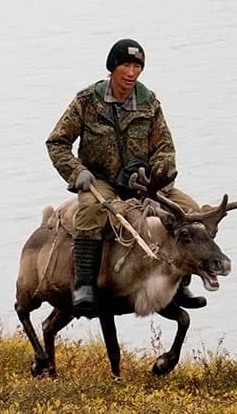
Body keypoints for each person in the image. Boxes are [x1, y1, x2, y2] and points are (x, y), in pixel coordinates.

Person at [45, 38, 208, 317]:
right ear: (112, 68)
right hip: (102, 182)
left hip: (143, 182)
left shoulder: (149, 102)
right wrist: (77, 172)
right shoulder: (87, 102)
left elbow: (164, 149)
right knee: (92, 211)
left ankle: (180, 283)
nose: (131, 73)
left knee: (192, 213)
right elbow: (57, 142)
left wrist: (157, 180)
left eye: (137, 66)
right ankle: (84, 285)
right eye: (126, 65)